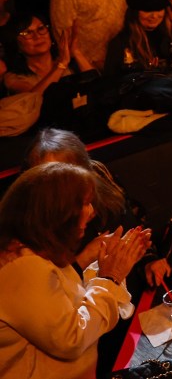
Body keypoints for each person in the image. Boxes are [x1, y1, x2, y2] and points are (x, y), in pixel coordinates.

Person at [0, 161, 149, 379]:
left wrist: (104, 267)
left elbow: (66, 302)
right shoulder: (21, 266)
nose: (91, 211)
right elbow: (72, 339)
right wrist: (110, 277)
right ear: (58, 211)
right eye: (85, 203)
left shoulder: (33, 250)